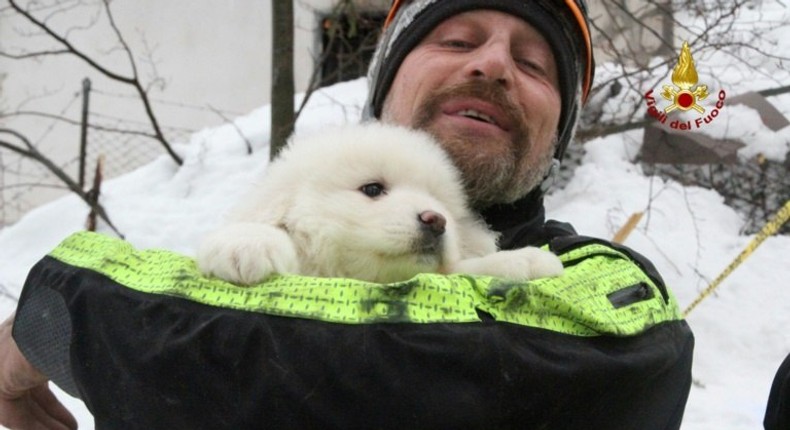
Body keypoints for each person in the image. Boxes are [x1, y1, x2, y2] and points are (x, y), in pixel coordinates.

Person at [0, 0, 694, 429]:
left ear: (559, 133)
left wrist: (57, 312)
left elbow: (366, 370)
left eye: (535, 63)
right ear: (385, 84)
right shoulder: (284, 205)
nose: (492, 66)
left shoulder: (602, 287)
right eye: (456, 40)